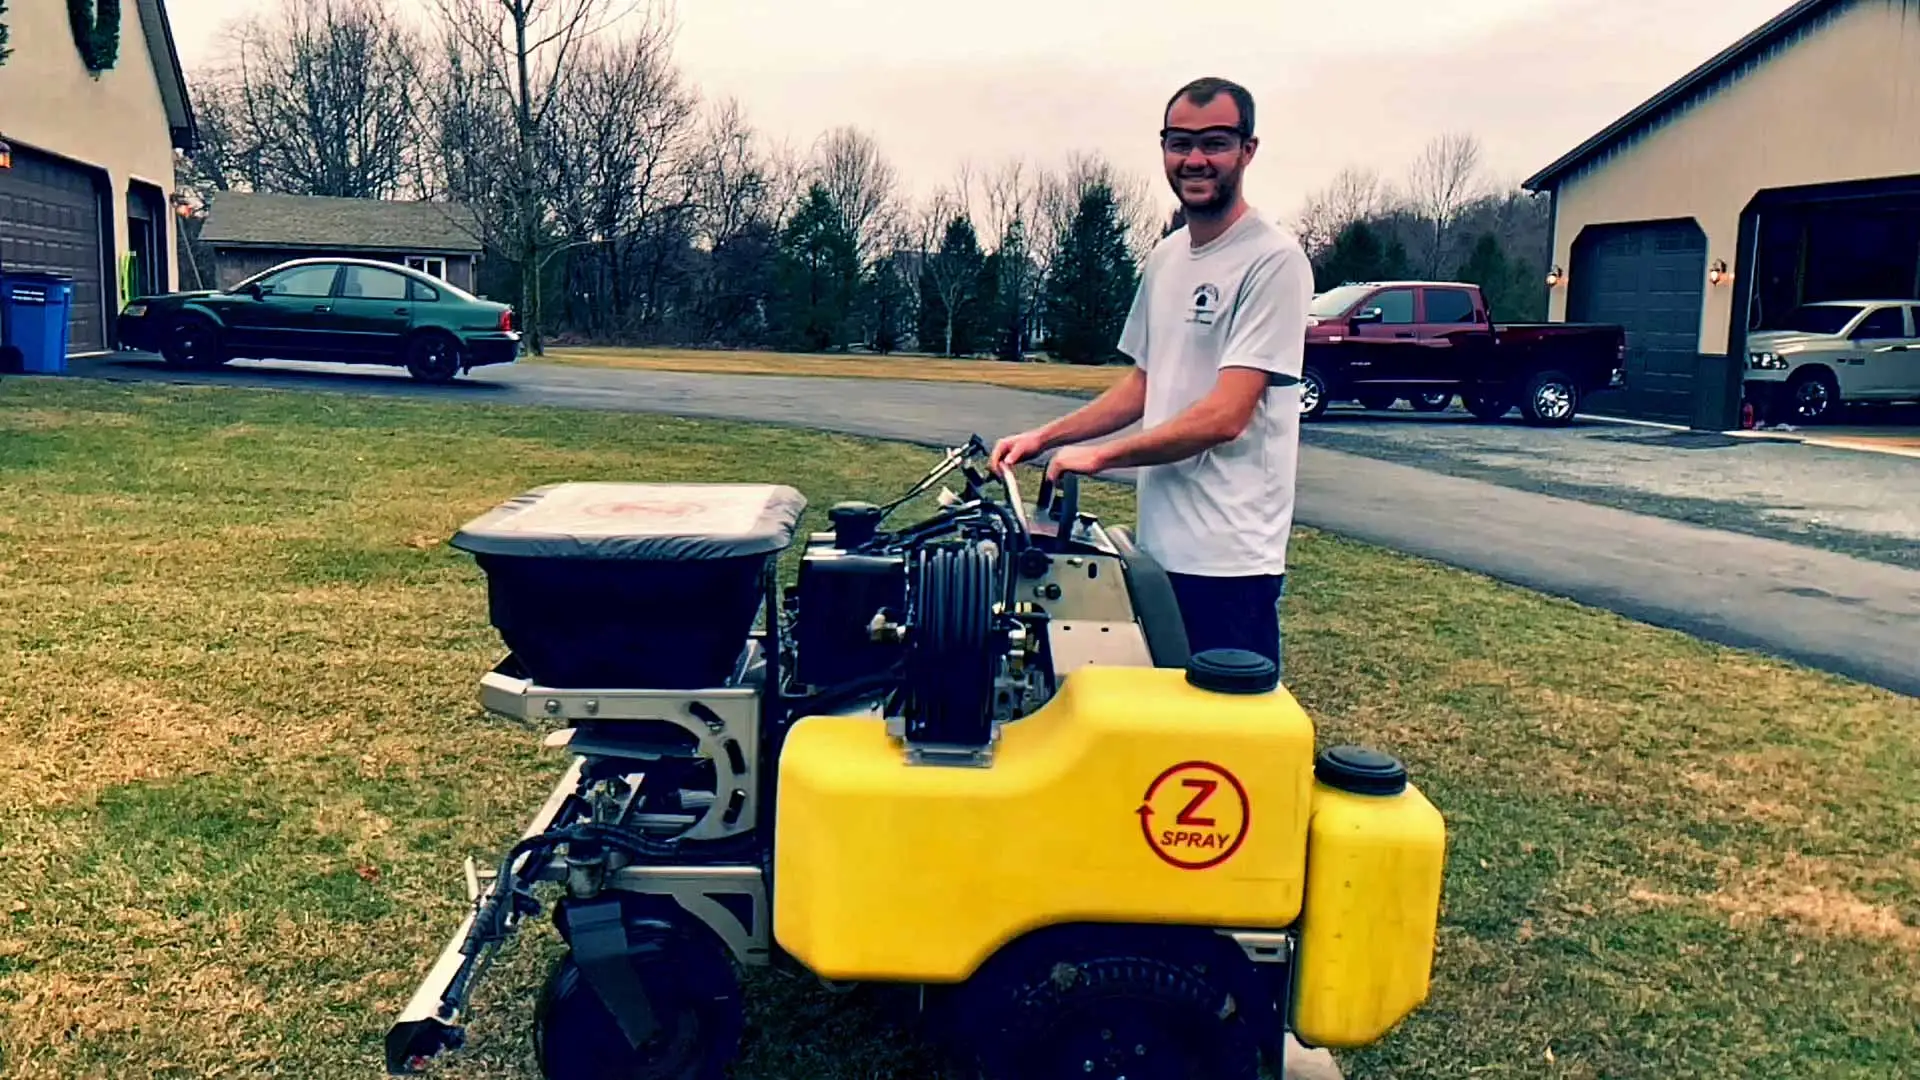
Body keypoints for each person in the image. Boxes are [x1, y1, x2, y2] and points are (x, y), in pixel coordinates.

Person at [988, 75, 1313, 670]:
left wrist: (1103, 457)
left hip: (1228, 557)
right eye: (1179, 142)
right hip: (1159, 545)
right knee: (1159, 731)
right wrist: (1047, 438)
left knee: (1224, 742)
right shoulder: (1166, 257)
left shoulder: (1274, 260)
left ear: (1248, 149)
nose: (1194, 159)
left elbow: (1227, 416)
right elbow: (1143, 384)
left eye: (1214, 142)